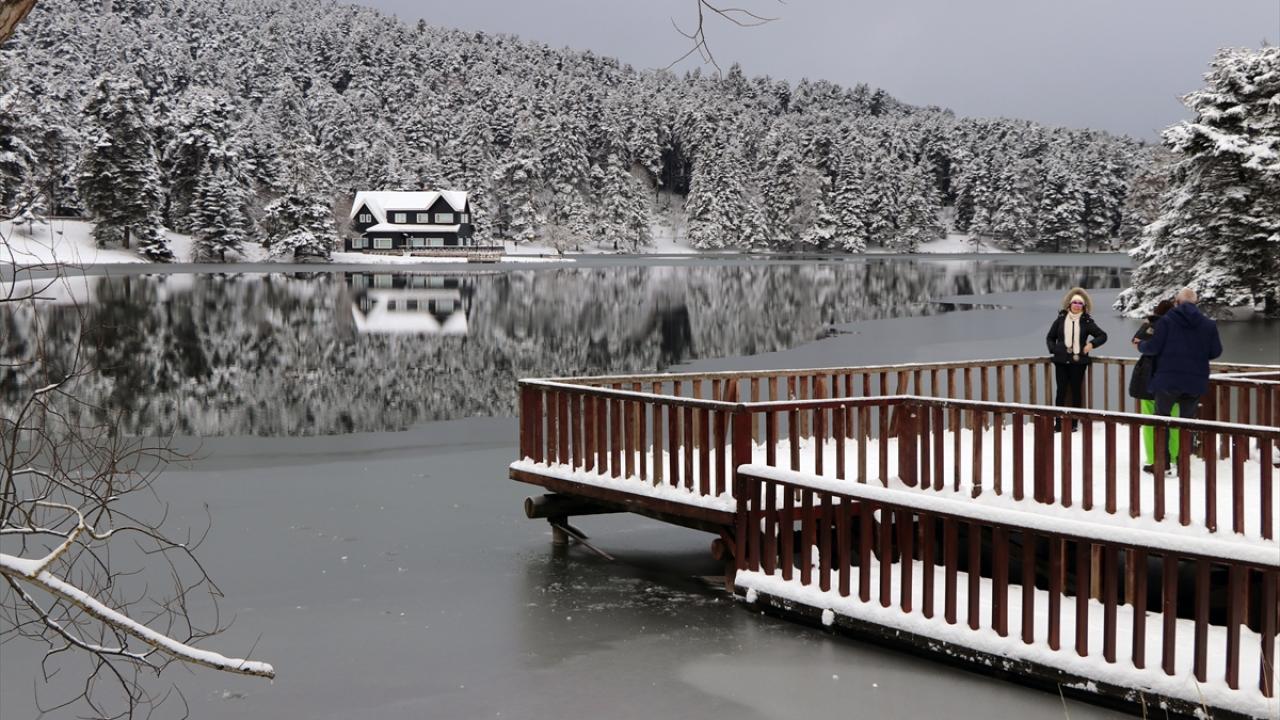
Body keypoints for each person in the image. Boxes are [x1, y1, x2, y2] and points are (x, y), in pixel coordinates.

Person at [1138, 287, 1223, 441]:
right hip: (1195, 381)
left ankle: (1162, 462)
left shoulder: (1166, 321)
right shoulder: (1208, 324)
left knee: (1161, 420)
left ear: (1176, 302)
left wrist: (1140, 345)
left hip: (1167, 380)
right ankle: (1183, 461)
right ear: (1196, 302)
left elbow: (1153, 348)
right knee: (1187, 422)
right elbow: (1216, 352)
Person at [1045, 287, 1108, 430]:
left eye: (1080, 303)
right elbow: (1050, 337)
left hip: (1078, 362)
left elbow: (1102, 335)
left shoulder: (1087, 321)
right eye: (1075, 302)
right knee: (1060, 391)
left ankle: (1074, 423)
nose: (1077, 305)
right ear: (1069, 304)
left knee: (1075, 391)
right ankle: (1059, 423)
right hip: (1061, 361)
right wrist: (1054, 349)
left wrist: (1091, 344)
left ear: (1084, 306)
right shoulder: (1060, 319)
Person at [1129, 298, 1177, 470]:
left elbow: (1135, 341)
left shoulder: (1152, 327)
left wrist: (1147, 324)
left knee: (1150, 419)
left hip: (1149, 377)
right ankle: (1175, 457)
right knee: (1174, 420)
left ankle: (1153, 457)